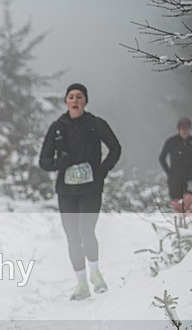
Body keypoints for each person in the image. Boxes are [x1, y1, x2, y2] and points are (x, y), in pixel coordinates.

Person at [39, 83, 121, 301]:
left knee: (86, 230)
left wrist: (102, 170)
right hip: (66, 190)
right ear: (66, 101)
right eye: (71, 97)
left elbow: (115, 148)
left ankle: (95, 273)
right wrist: (59, 163)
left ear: (85, 101)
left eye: (79, 97)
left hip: (91, 187)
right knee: (72, 236)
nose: (75, 100)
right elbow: (43, 161)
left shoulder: (95, 123)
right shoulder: (57, 127)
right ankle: (82, 284)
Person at [159, 117, 192, 214]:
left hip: (189, 177)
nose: (185, 131)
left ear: (190, 129)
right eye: (183, 129)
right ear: (178, 129)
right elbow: (162, 158)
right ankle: (178, 226)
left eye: (187, 129)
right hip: (174, 178)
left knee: (188, 204)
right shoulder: (171, 141)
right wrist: (169, 172)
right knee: (176, 205)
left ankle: (187, 225)